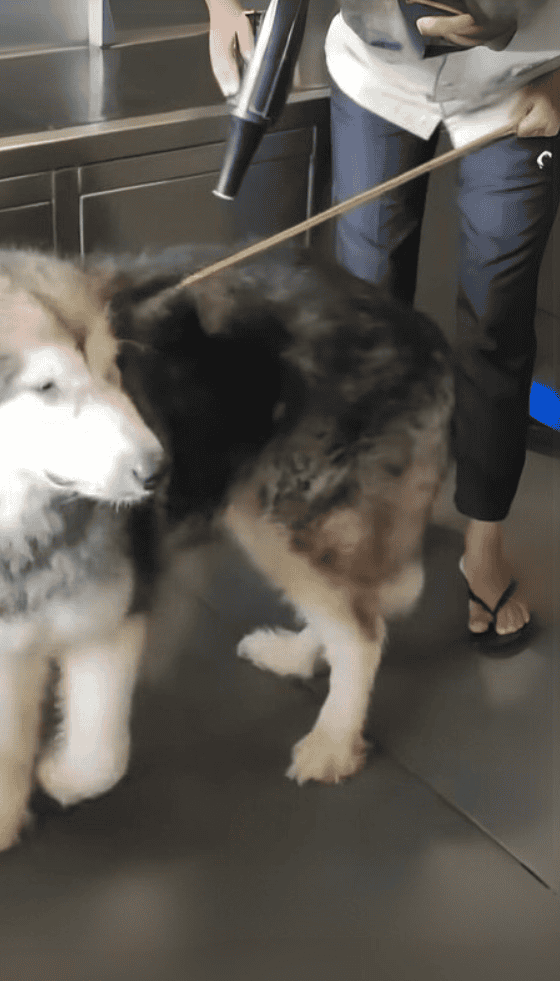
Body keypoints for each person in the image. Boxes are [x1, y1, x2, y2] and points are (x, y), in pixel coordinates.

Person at [204, 0, 560, 654]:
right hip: (378, 82)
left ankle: (484, 547)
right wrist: (222, 6)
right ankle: (360, 534)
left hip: (525, 83)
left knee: (496, 322)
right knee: (365, 319)